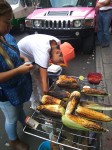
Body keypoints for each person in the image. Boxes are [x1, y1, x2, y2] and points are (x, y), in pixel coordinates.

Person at [0, 1, 33, 150]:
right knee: (11, 116)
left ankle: (24, 120)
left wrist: (24, 59)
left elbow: (14, 54)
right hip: (5, 93)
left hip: (16, 87)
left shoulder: (4, 36)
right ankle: (13, 140)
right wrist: (18, 71)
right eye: (7, 22)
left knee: (18, 107)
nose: (11, 26)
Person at [18, 34, 75, 109]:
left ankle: (42, 99)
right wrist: (50, 98)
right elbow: (44, 81)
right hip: (22, 56)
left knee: (40, 77)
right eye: (60, 61)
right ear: (58, 52)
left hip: (34, 53)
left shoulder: (57, 42)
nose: (59, 64)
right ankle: (35, 105)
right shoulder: (43, 53)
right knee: (33, 82)